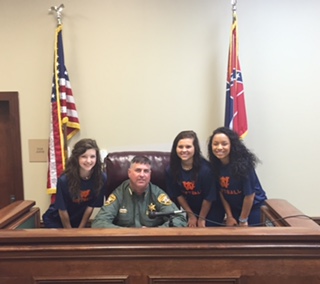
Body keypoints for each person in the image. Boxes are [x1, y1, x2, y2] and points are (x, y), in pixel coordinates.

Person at [92, 155, 187, 228]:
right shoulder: (119, 193)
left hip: (151, 244)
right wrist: (128, 233)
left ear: (150, 174)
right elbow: (99, 222)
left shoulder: (157, 193)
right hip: (124, 245)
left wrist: (154, 232)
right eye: (138, 170)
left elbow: (180, 219)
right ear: (129, 173)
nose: (142, 175)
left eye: (146, 171)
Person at [207, 127, 267, 227]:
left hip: (253, 208)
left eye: (224, 144)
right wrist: (229, 216)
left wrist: (243, 219)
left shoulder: (244, 166)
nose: (219, 147)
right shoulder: (215, 166)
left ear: (232, 145)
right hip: (234, 209)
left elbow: (249, 196)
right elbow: (222, 192)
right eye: (215, 144)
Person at [166, 130, 225, 227]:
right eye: (180, 147)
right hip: (191, 210)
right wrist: (191, 216)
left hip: (211, 209)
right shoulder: (171, 170)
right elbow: (178, 195)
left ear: (195, 148)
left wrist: (201, 218)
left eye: (188, 147)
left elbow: (208, 198)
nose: (184, 150)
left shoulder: (206, 170)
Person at [42, 138, 107, 228]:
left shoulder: (101, 178)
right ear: (77, 158)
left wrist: (80, 229)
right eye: (84, 156)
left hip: (77, 221)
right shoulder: (64, 180)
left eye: (92, 156)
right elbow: (62, 210)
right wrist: (70, 233)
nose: (88, 161)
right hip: (56, 220)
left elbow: (90, 206)